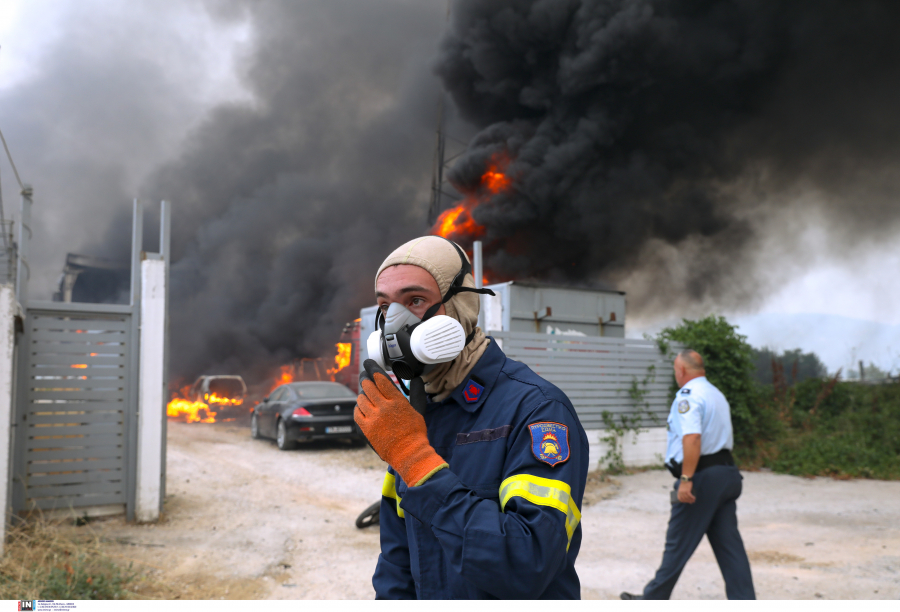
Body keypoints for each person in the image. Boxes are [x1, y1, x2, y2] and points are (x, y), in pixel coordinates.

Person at [354, 236, 589, 599]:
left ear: (461, 305)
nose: (391, 325)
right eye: (385, 306)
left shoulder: (537, 410)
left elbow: (526, 565)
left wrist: (415, 460)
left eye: (415, 301)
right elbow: (397, 560)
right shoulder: (414, 417)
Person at [621, 349, 755, 600]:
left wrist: (686, 479)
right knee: (730, 547)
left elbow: (692, 437)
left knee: (678, 540)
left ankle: (652, 600)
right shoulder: (716, 393)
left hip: (702, 477)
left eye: (675, 370)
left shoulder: (689, 395)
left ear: (681, 370)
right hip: (726, 473)